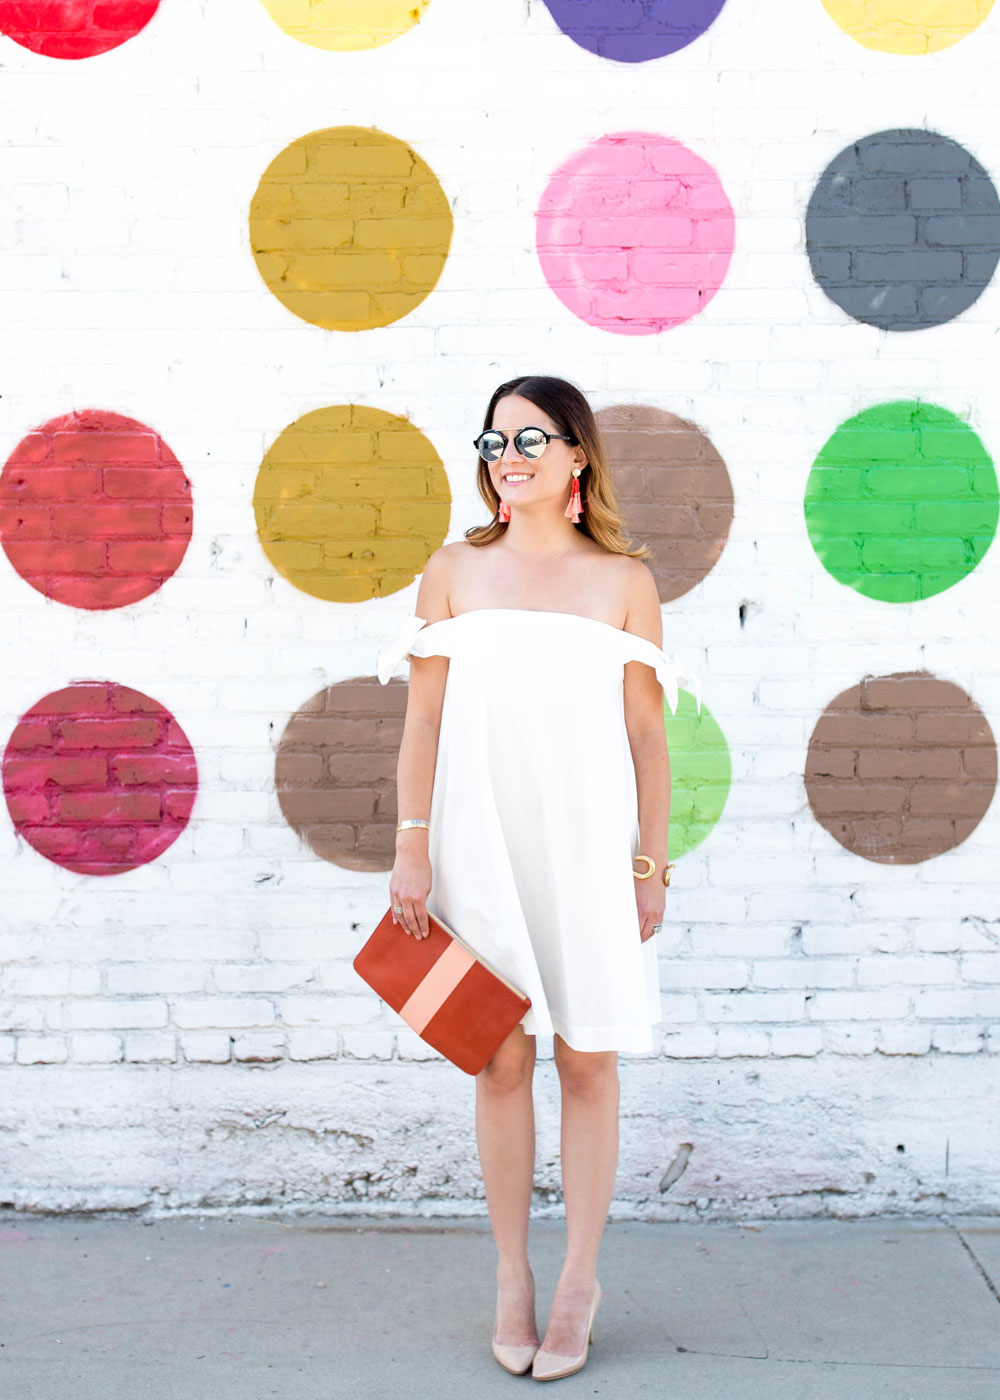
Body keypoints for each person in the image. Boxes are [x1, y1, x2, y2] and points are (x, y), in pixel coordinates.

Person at [377, 375, 700, 1382]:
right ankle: (513, 1276)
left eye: (528, 437)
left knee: (588, 1058)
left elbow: (649, 734)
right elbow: (423, 718)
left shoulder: (622, 580)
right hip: (478, 845)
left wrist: (650, 861)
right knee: (498, 1060)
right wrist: (412, 840)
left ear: (577, 456)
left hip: (589, 852)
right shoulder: (450, 571)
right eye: (492, 438)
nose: (505, 454)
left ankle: (578, 1282)